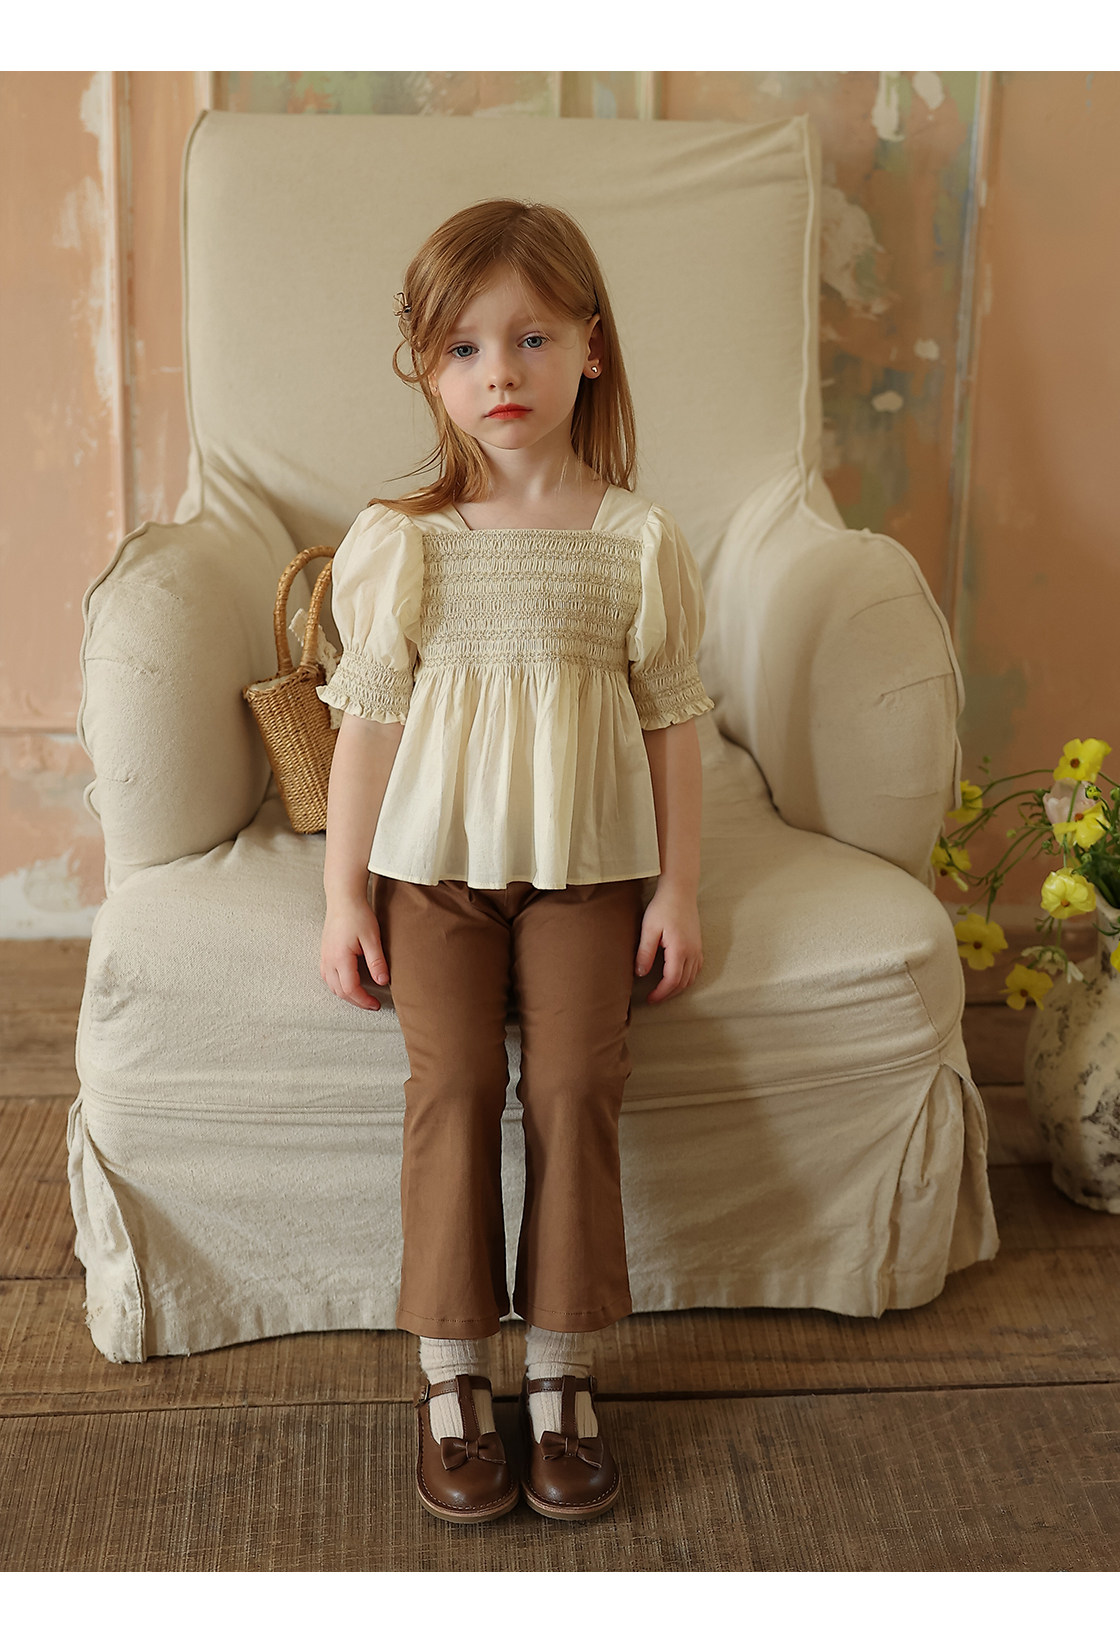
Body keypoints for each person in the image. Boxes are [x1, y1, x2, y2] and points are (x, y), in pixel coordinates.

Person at [316, 198, 714, 1525]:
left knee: (576, 1081)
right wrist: (344, 895)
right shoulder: (407, 541)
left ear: (591, 347)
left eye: (533, 337)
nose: (502, 371)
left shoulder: (636, 540)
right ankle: (451, 1375)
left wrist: (678, 889)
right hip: (433, 874)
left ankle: (559, 1372)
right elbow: (368, 727)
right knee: (453, 1084)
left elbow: (670, 723)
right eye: (466, 348)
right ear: (431, 372)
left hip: (586, 873)